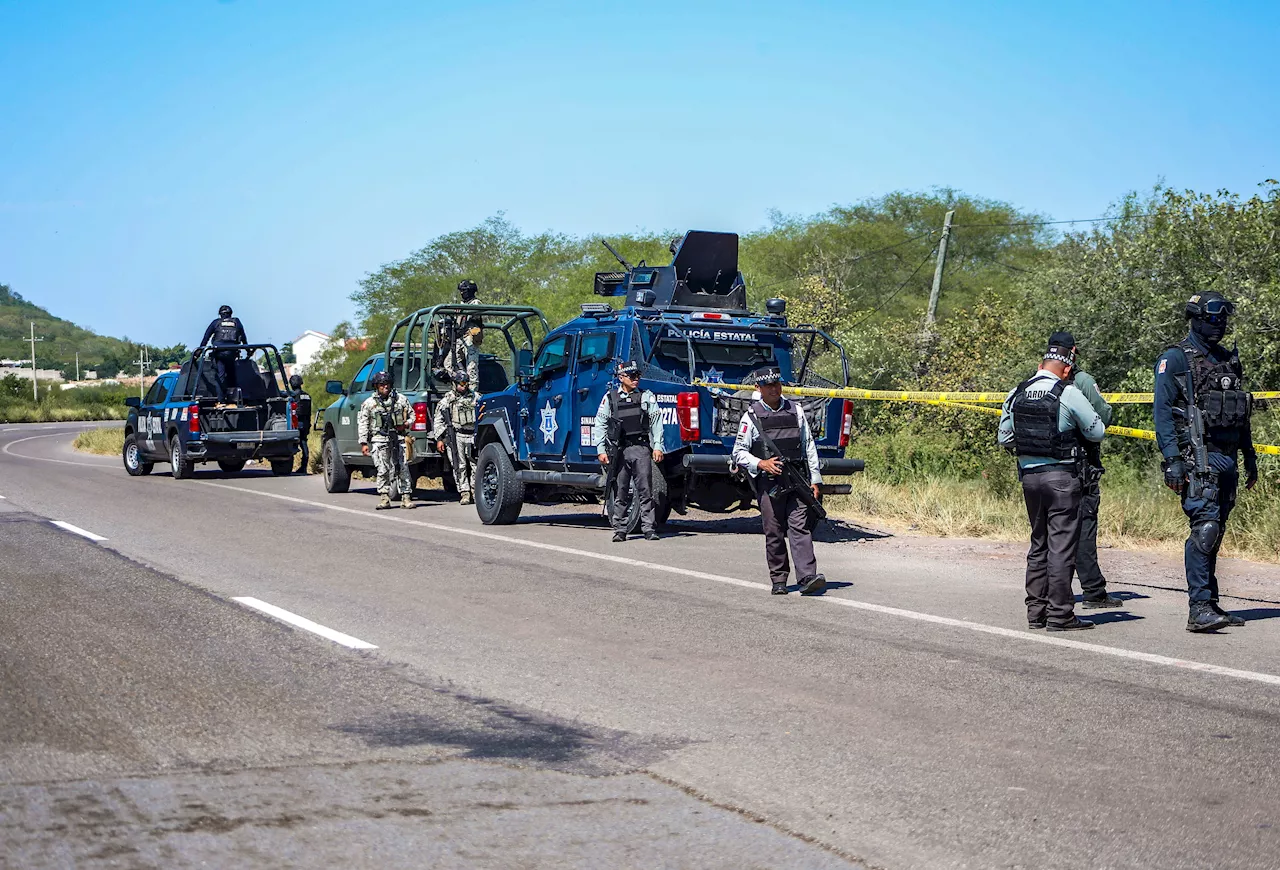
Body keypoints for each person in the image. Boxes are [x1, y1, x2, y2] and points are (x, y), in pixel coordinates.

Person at [1154, 291, 1257, 632]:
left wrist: (1250, 456)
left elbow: (1240, 414)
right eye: (1213, 319)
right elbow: (1163, 416)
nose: (1220, 325)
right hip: (1198, 458)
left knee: (1218, 530)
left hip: (1227, 458)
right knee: (1205, 529)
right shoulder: (1177, 358)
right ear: (1196, 318)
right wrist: (1172, 460)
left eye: (1224, 319)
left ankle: (1210, 602)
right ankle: (1198, 608)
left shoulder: (1228, 359)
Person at [998, 332, 1106, 631]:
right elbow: (1097, 431)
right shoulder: (1067, 392)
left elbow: (1004, 438)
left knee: (1039, 543)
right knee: (1061, 546)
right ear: (1068, 369)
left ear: (1040, 363)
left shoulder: (1016, 392)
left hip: (1029, 479)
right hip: (1062, 478)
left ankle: (1036, 614)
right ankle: (1060, 615)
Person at [731, 366, 826, 596]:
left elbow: (809, 447)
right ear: (758, 388)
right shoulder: (751, 416)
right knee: (773, 530)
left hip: (797, 478)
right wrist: (761, 464)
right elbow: (738, 452)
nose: (773, 389)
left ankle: (807, 577)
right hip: (769, 482)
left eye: (776, 384)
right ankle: (779, 579)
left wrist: (815, 480)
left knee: (799, 527)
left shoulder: (796, 410)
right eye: (768, 386)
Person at [593, 360, 664, 542]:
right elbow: (600, 423)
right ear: (621, 377)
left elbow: (656, 422)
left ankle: (648, 528)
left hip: (640, 448)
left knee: (646, 491)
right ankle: (619, 529)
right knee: (620, 491)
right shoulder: (610, 398)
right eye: (632, 376)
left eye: (637, 376)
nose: (636, 379)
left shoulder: (646, 396)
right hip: (620, 450)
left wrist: (657, 446)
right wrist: (601, 449)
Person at [1069, 366, 1122, 609]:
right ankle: (1093, 590)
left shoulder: (1037, 382)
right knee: (1084, 530)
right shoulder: (1083, 381)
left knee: (1053, 533)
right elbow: (1104, 416)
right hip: (1081, 467)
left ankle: (1052, 592)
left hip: (1043, 472)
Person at [358, 370, 414, 510]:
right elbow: (363, 423)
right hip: (379, 439)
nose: (385, 387)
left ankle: (406, 497)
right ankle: (384, 497)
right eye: (382, 385)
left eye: (387, 384)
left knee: (403, 467)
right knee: (383, 469)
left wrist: (406, 424)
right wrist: (364, 443)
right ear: (376, 386)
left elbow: (412, 415)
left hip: (398, 437)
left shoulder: (400, 399)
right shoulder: (369, 403)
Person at [435, 369, 478, 505]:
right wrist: (440, 439)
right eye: (461, 383)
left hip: (472, 436)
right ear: (455, 384)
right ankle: (464, 492)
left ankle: (476, 492)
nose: (464, 386)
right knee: (459, 465)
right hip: (457, 435)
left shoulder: (476, 397)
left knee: (476, 465)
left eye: (466, 383)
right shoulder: (448, 399)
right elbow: (438, 419)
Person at [200, 305, 247, 399]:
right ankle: (235, 398)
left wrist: (199, 351)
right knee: (232, 374)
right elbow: (243, 337)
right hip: (232, 354)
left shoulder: (216, 323)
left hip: (219, 354)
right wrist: (248, 349)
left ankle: (221, 400)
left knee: (219, 377)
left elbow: (206, 338)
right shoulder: (236, 322)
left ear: (220, 314)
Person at [289, 373, 312, 474]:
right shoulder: (307, 396)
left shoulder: (292, 396)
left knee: (290, 444)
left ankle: (289, 465)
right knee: (304, 444)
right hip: (306, 423)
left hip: (296, 423)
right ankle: (304, 467)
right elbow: (309, 411)